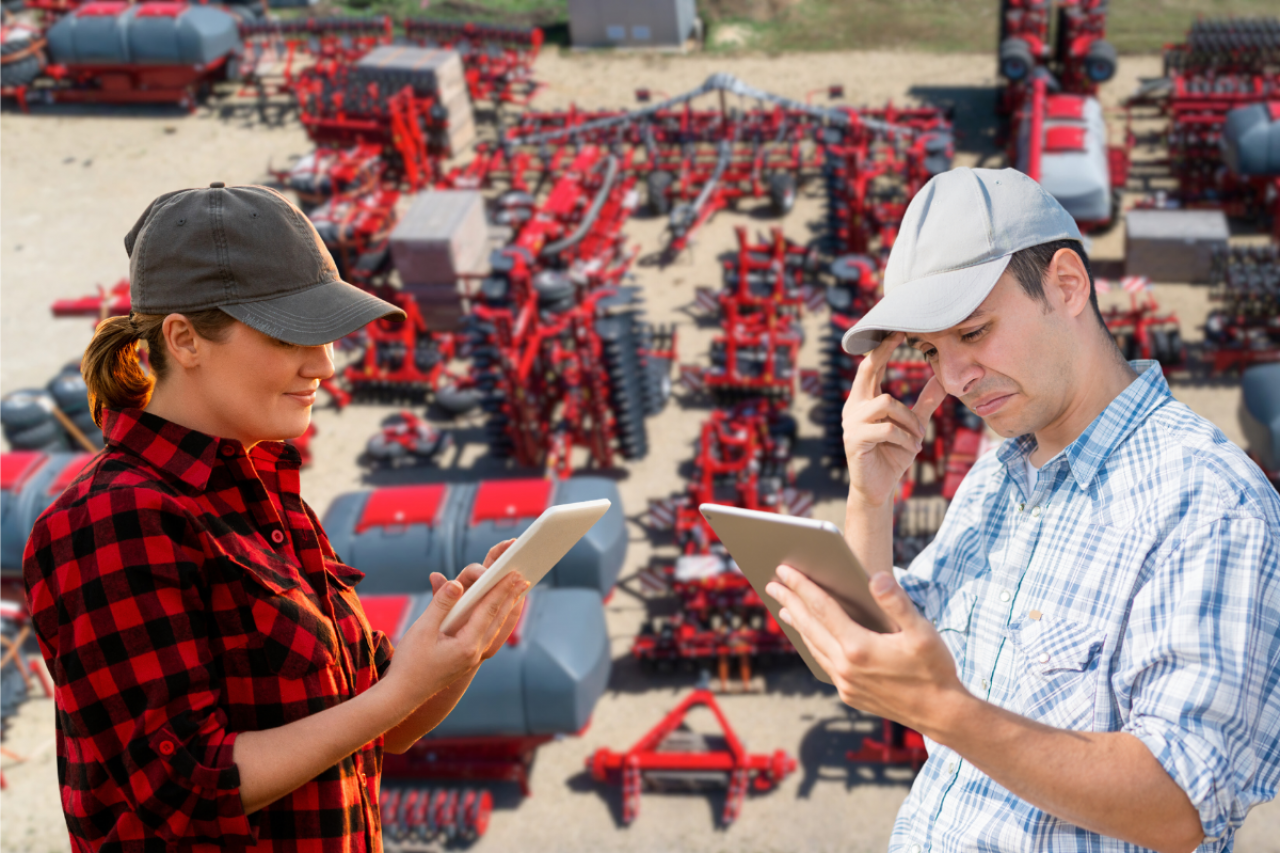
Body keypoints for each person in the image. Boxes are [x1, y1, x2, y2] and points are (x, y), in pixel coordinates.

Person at [766, 168, 1280, 853]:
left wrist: (947, 713)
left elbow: (1181, 807)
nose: (952, 379)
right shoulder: (1001, 466)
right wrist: (871, 497)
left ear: (1067, 285)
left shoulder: (1209, 503)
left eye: (973, 333)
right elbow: (882, 651)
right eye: (931, 351)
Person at [23, 183, 529, 853]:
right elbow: (184, 788)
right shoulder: (109, 521)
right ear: (185, 340)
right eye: (290, 333)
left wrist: (462, 653)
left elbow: (379, 726)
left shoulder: (263, 493)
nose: (325, 363)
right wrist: (397, 690)